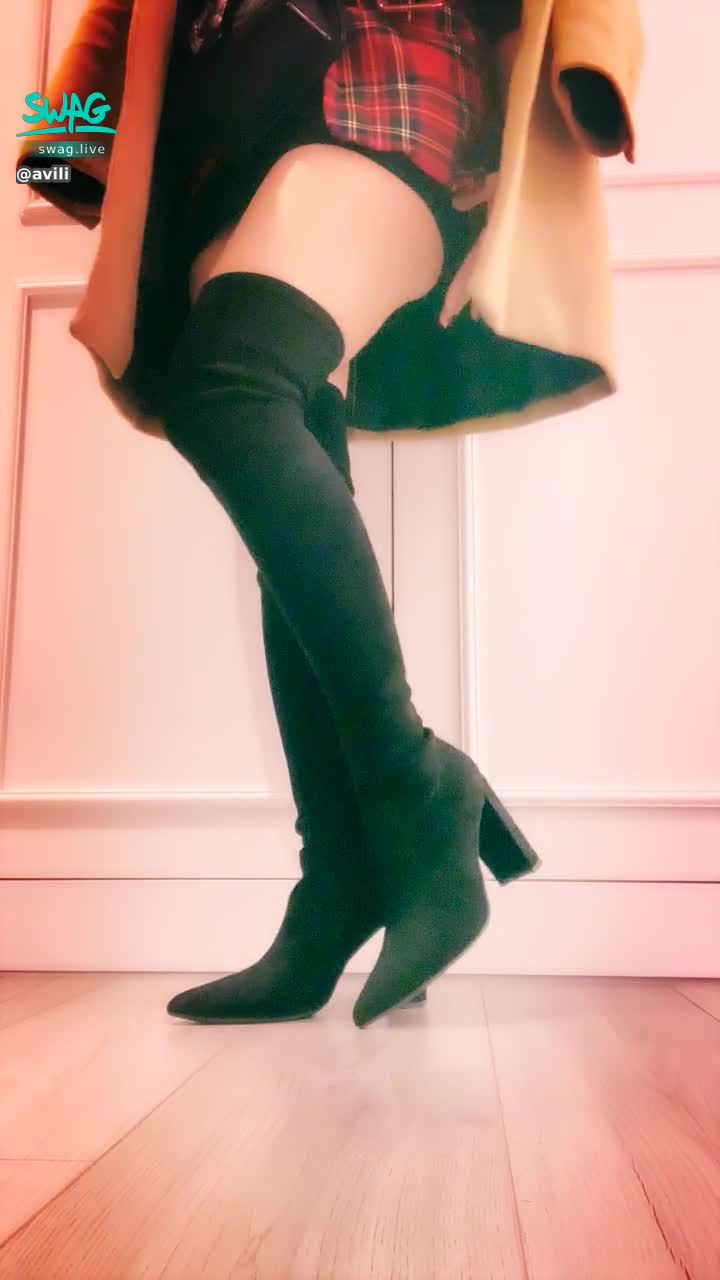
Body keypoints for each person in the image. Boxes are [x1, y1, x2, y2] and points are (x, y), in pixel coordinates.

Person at [16, 0, 644, 1028]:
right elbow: (111, 17)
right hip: (225, 148)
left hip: (385, 87)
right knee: (286, 437)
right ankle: (340, 878)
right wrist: (61, 147)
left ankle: (416, 785)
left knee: (229, 391)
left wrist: (553, 125)